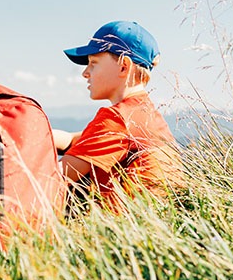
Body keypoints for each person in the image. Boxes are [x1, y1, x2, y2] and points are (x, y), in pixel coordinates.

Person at [53, 21, 183, 211]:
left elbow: (52, 179)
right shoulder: (143, 113)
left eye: (93, 63)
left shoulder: (117, 118)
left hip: (125, 230)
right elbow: (75, 140)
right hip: (157, 224)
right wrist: (30, 133)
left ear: (124, 66)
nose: (85, 73)